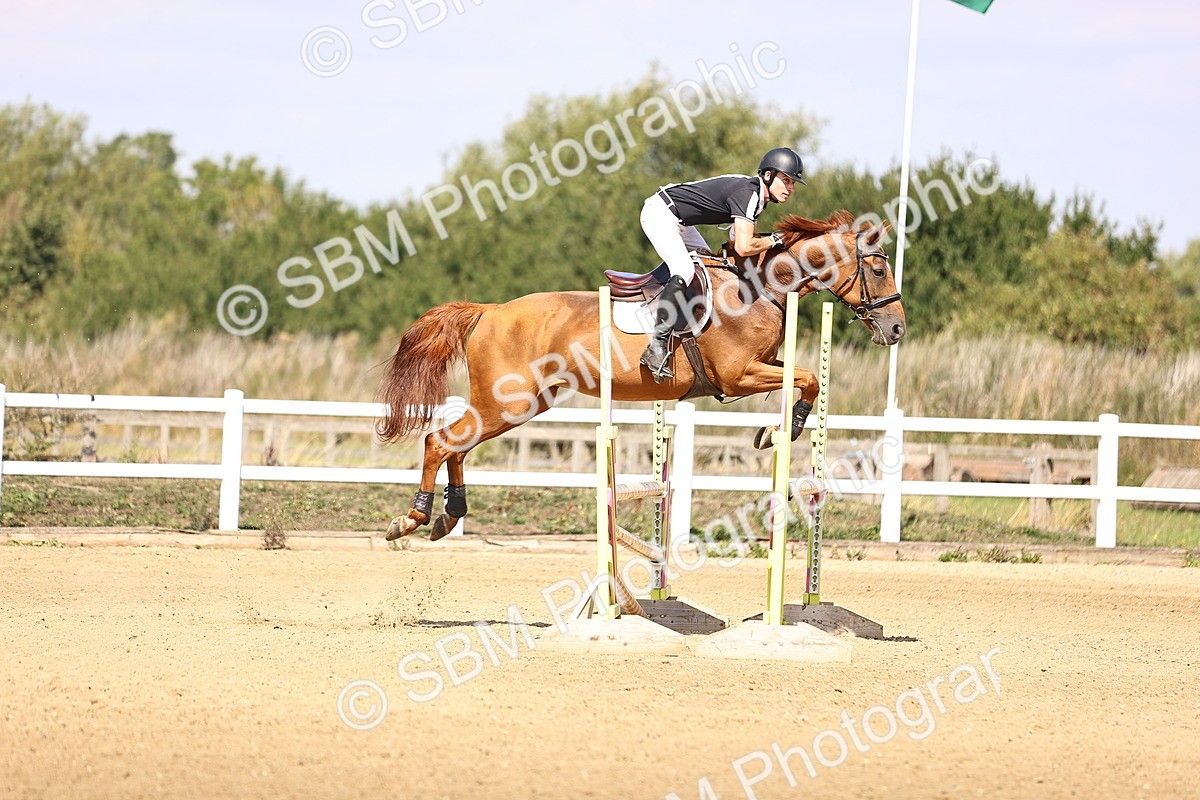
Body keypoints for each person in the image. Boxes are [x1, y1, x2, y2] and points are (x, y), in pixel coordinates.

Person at [637, 146, 806, 380]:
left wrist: (771, 244)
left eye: (793, 184)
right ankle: (656, 346)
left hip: (681, 221)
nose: (790, 188)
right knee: (685, 270)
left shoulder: (757, 197)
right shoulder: (750, 194)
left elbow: (737, 241)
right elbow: (744, 247)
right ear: (768, 175)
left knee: (708, 264)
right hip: (661, 214)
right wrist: (776, 239)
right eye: (786, 180)